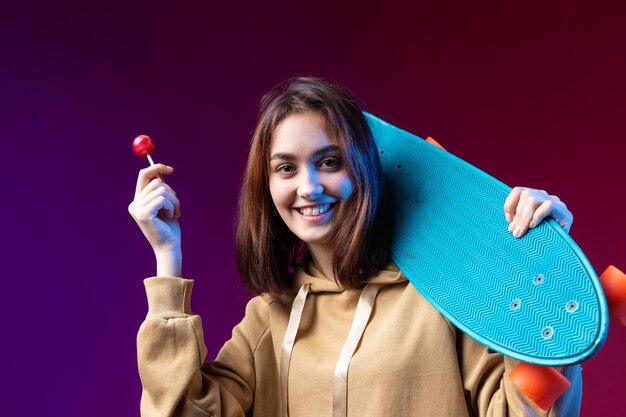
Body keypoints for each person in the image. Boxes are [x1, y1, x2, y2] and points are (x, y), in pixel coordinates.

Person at [129, 77, 581, 417]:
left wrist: (547, 279)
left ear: (363, 168)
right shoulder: (270, 317)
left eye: (328, 162)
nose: (308, 187)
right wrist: (167, 260)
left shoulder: (443, 296)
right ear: (265, 187)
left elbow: (523, 410)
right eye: (285, 169)